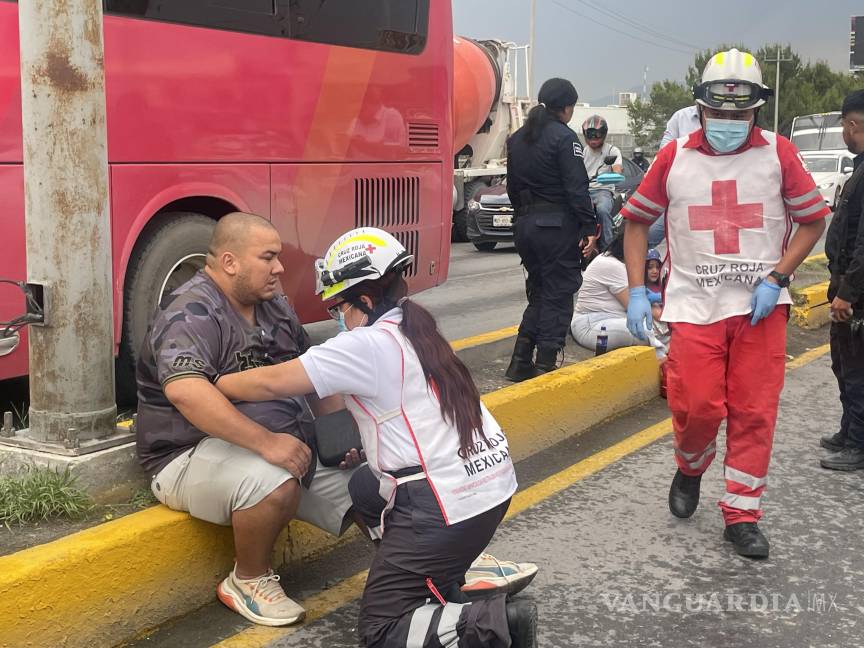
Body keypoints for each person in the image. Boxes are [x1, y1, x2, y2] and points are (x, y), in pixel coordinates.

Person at [136, 213, 534, 629]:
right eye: (268, 257)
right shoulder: (190, 313)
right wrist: (266, 442)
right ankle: (247, 578)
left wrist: (340, 438)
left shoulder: (273, 307)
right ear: (230, 262)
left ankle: (434, 564)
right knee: (275, 476)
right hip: (190, 452)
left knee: (371, 479)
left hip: (279, 438)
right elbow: (186, 390)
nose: (280, 268)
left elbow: (316, 378)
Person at [622, 49, 829, 559]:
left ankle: (741, 514)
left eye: (740, 113)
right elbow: (635, 221)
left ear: (756, 110)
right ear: (700, 108)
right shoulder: (675, 157)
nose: (730, 122)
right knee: (695, 406)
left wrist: (777, 276)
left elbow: (812, 219)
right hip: (693, 306)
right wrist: (633, 291)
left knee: (755, 412)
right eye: (720, 112)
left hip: (759, 308)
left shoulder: (779, 154)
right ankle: (691, 466)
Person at [504, 78, 598, 381]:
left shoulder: (517, 138)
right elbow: (577, 188)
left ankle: (520, 360)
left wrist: (525, 221)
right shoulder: (565, 138)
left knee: (541, 293)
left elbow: (513, 188)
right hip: (556, 227)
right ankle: (546, 364)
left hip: (526, 226)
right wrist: (588, 226)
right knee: (558, 294)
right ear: (567, 107)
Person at [821, 89, 864, 471]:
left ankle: (858, 443)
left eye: (845, 127)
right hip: (849, 288)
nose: (844, 134)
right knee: (843, 364)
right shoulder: (861, 168)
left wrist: (848, 293)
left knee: (855, 369)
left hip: (858, 296)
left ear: (853, 125)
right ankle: (849, 430)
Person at [570, 231, 667, 358]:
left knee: (660, 328)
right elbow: (637, 310)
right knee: (649, 329)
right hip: (591, 325)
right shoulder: (611, 265)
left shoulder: (613, 261)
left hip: (608, 320)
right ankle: (666, 358)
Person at [650, 105, 703, 247]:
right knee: (650, 236)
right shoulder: (680, 117)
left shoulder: (737, 120)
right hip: (681, 195)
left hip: (716, 196)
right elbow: (664, 152)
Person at [581, 114, 624, 248]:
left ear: (604, 134)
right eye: (590, 134)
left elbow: (617, 169)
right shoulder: (581, 152)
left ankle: (608, 249)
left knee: (603, 211)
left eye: (597, 134)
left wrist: (614, 174)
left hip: (602, 190)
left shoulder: (612, 151)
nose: (593, 138)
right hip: (583, 191)